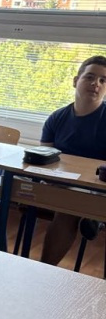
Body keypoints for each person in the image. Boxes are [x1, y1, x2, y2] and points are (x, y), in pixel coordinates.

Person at [40, 55, 106, 266]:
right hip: (58, 182)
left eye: (103, 80)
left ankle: (45, 268)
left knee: (67, 210)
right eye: (90, 77)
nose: (96, 84)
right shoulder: (56, 118)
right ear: (76, 81)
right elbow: (44, 157)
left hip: (97, 187)